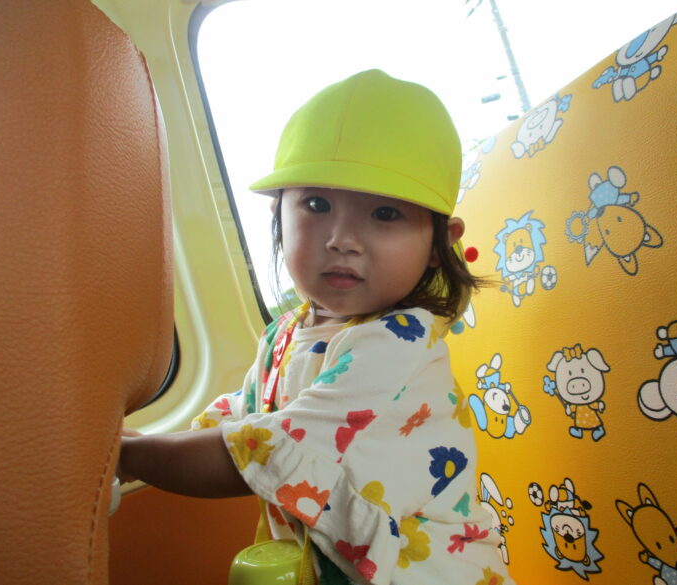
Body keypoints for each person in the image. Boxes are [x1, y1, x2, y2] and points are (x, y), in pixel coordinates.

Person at [119, 69, 513, 585]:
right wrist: (156, 439)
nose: (342, 238)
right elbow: (246, 412)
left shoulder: (397, 343)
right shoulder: (285, 332)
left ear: (440, 244)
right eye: (316, 205)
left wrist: (131, 455)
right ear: (278, 214)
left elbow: (270, 447)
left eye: (385, 213)